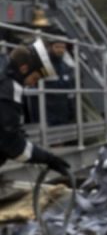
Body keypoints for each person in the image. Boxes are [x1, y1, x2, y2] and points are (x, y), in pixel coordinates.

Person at [1, 41, 71, 175]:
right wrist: (48, 159)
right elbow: (13, 146)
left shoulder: (4, 83)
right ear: (24, 69)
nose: (34, 83)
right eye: (35, 78)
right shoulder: (10, 91)